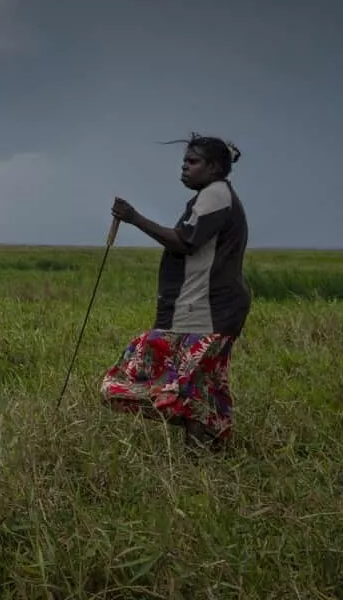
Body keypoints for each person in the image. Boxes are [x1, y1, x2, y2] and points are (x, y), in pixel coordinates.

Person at [102, 133, 249, 450]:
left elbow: (184, 241)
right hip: (199, 309)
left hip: (210, 310)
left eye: (193, 162)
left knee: (186, 384)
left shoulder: (216, 194)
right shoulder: (210, 196)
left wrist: (134, 218)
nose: (184, 167)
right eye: (184, 161)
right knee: (195, 385)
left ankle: (203, 457)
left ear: (214, 168)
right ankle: (204, 455)